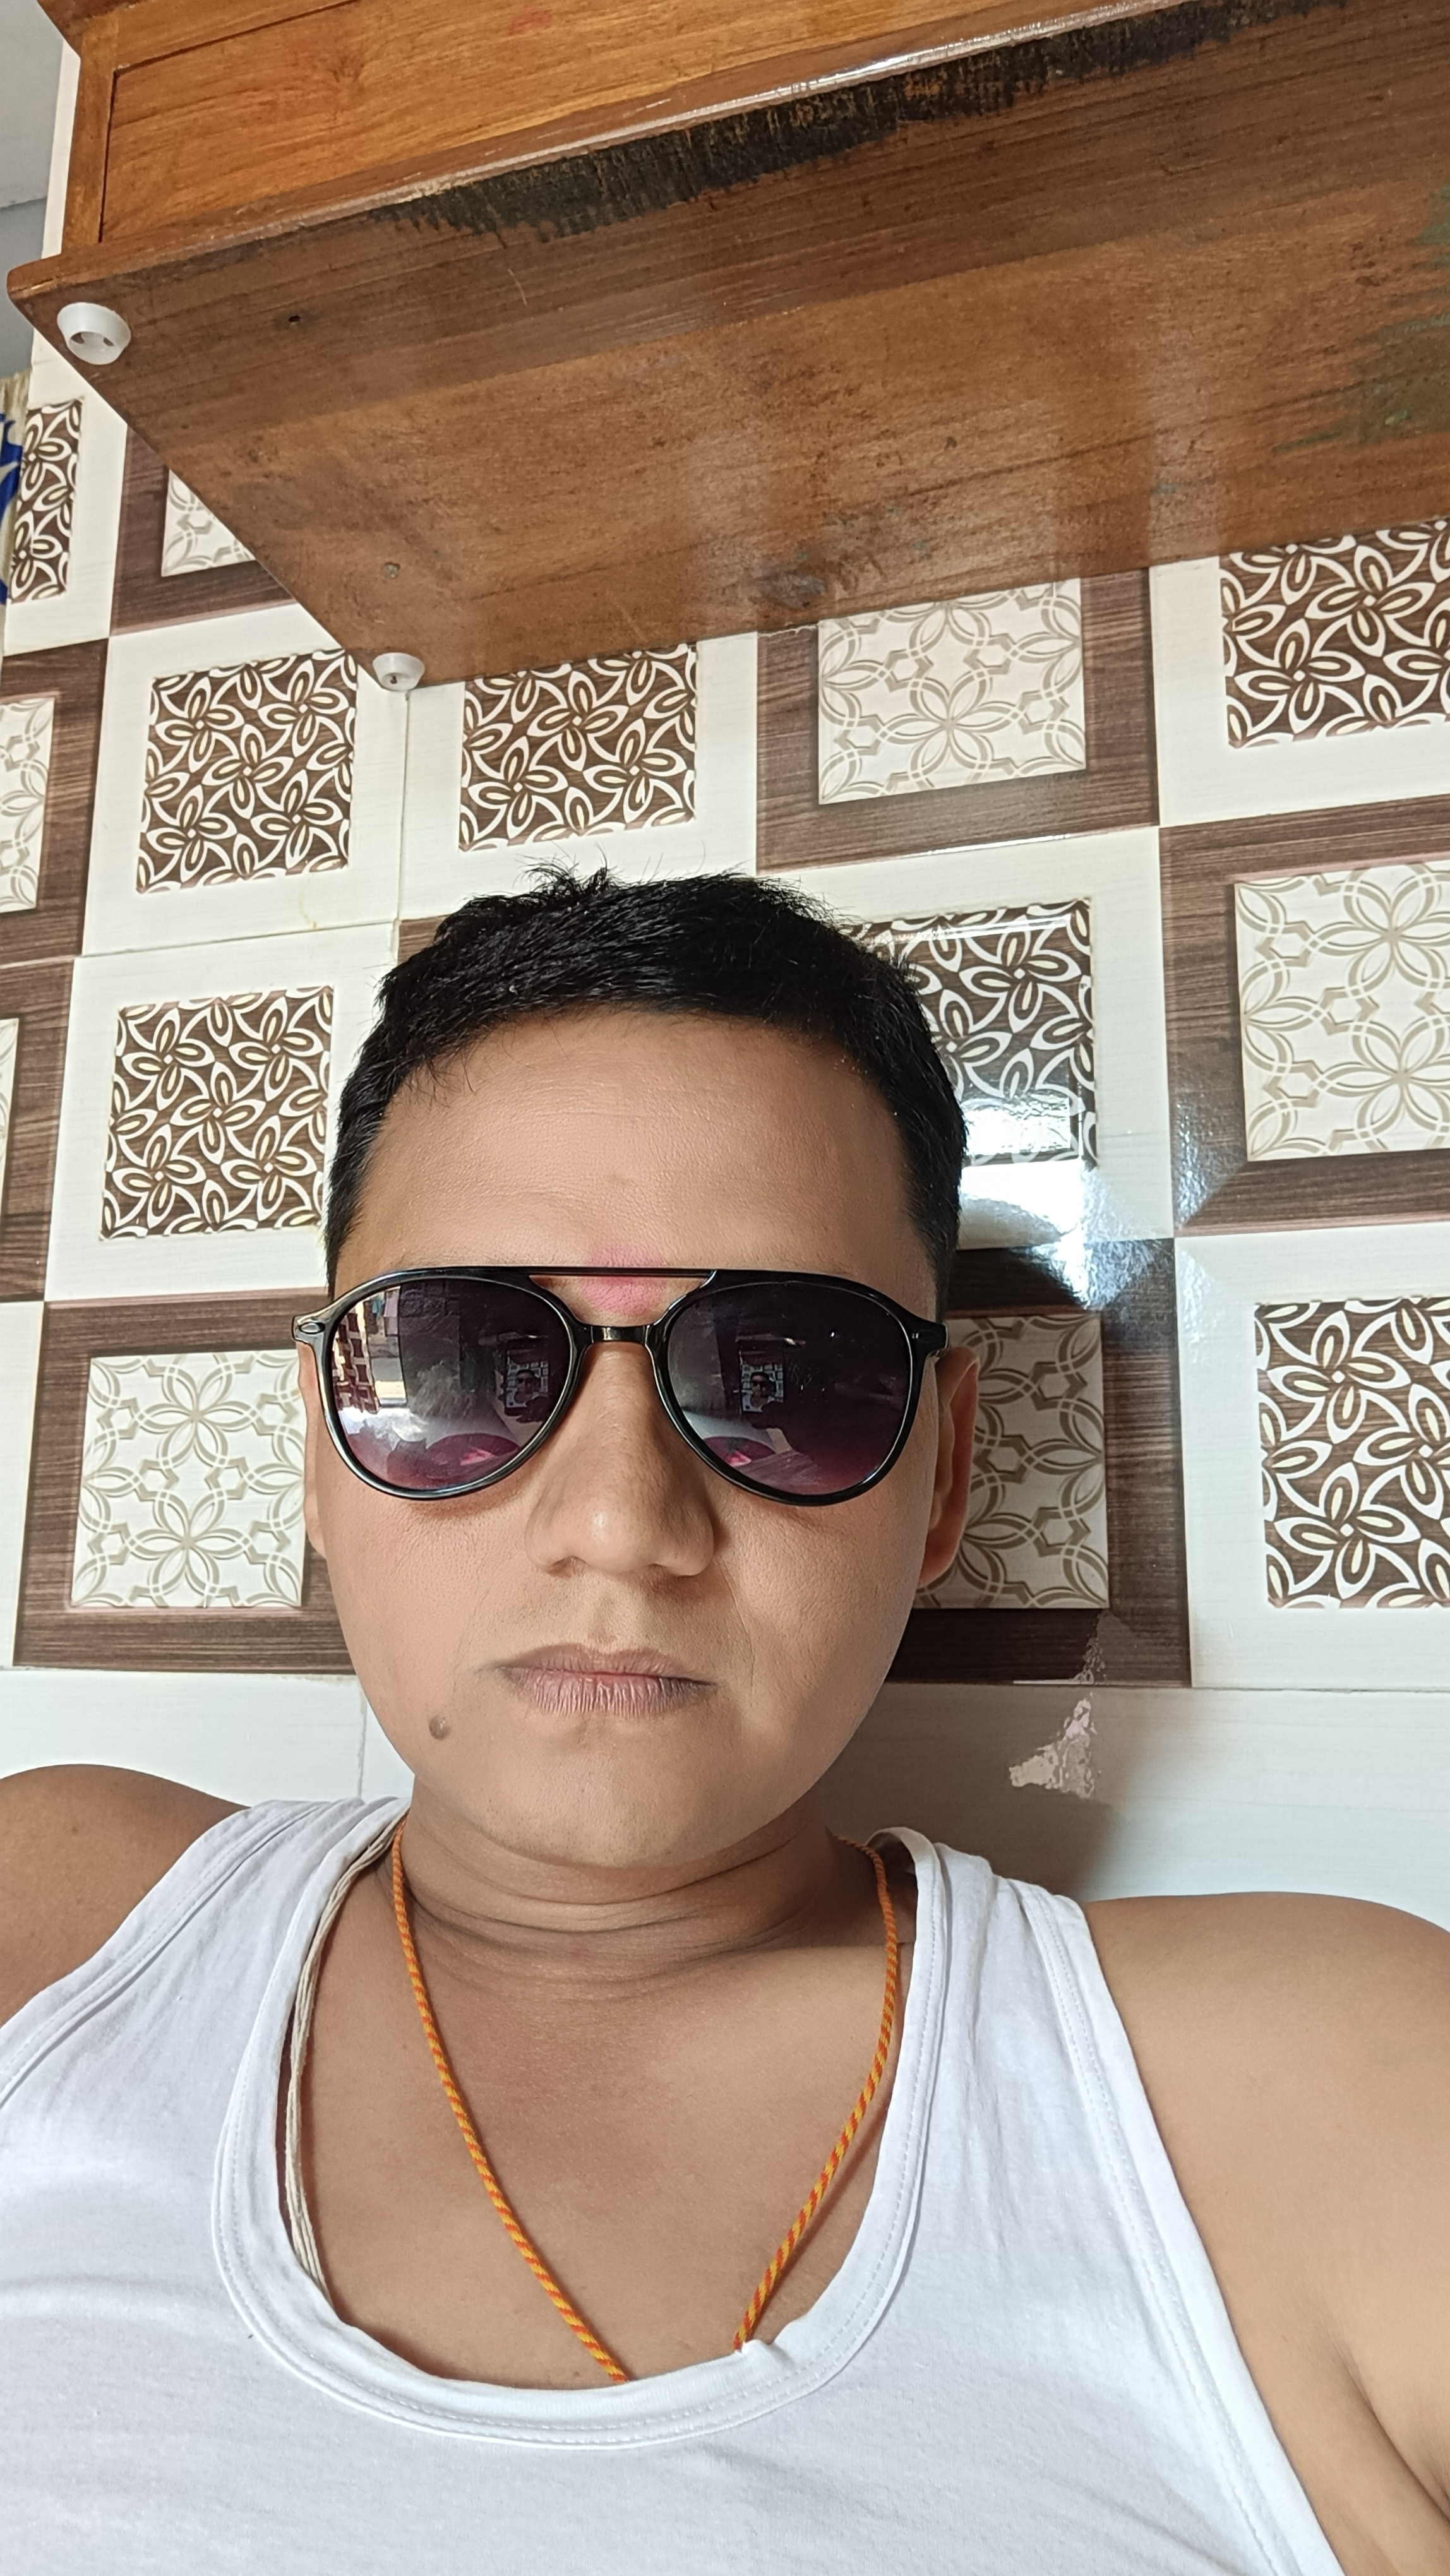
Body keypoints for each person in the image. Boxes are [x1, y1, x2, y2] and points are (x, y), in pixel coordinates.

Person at [1, 869, 1446, 2576]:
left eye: (787, 1373)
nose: (621, 1523)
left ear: (942, 1476)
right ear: (322, 1454)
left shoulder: (1322, 2095)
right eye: (463, 1360)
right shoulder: (61, 1920)